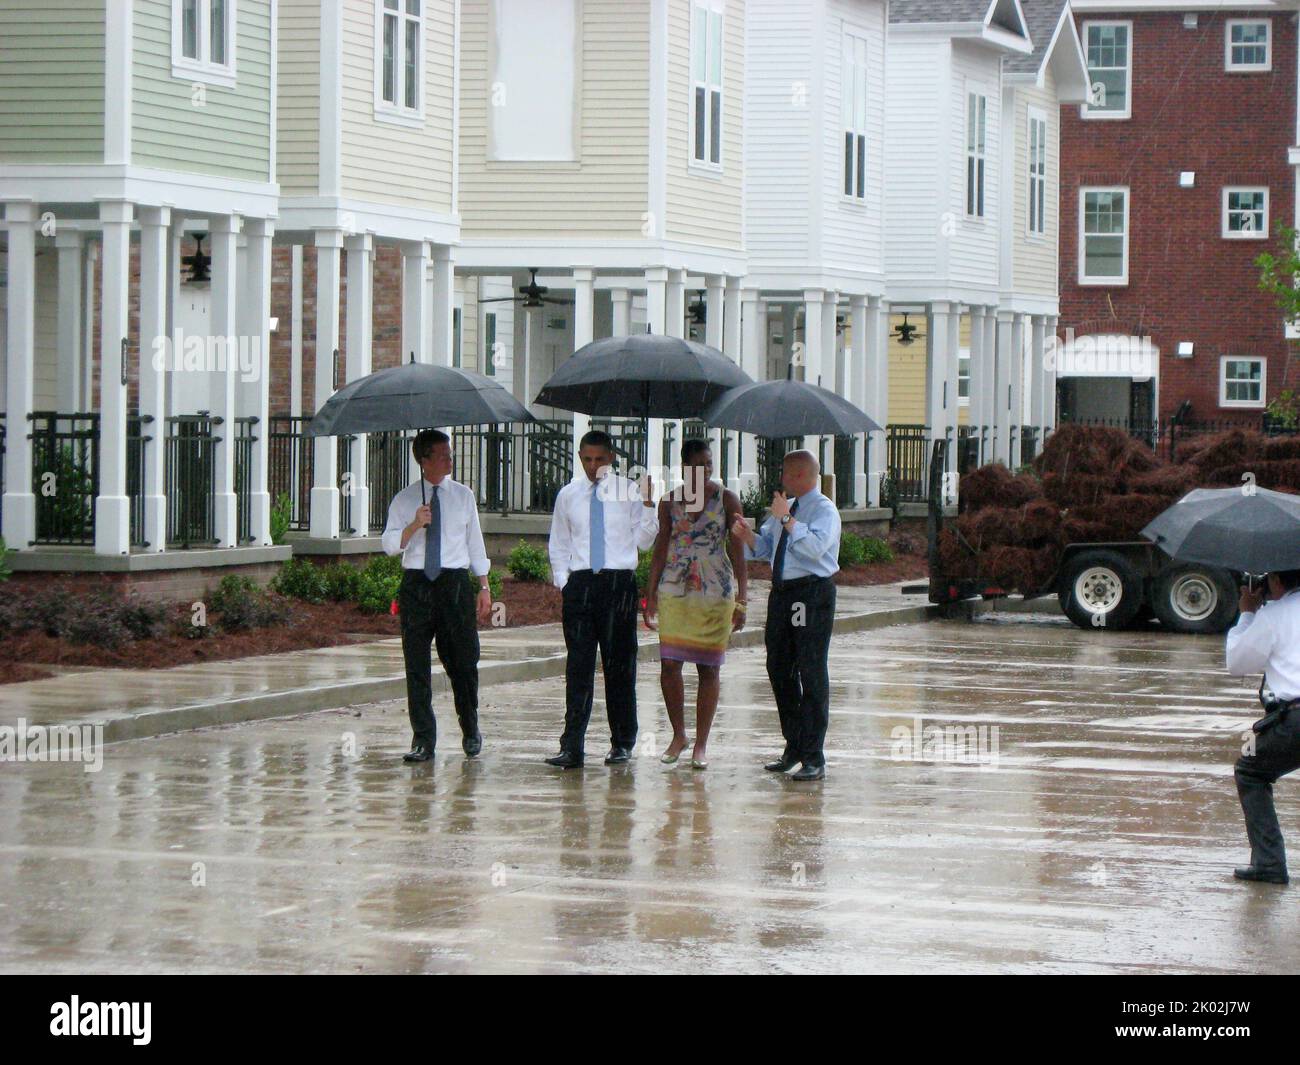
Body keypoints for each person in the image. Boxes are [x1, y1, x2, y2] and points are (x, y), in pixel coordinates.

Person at [545, 430, 658, 769]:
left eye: (600, 459)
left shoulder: (629, 492)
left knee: (619, 665)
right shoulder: (568, 495)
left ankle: (622, 741)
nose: (593, 466)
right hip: (581, 584)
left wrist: (650, 505)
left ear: (611, 458)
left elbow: (644, 542)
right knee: (578, 666)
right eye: (587, 459)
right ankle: (572, 746)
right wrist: (564, 581)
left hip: (617, 583)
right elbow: (559, 542)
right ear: (580, 458)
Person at [381, 429, 493, 763]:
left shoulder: (463, 496)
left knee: (463, 661)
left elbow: (475, 543)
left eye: (450, 453)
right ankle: (423, 739)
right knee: (416, 663)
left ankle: (470, 727)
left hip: (454, 583)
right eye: (442, 455)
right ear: (423, 459)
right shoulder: (404, 499)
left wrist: (484, 586)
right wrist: (415, 525)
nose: (450, 459)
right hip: (417, 584)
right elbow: (389, 546)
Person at [730, 450, 841, 781]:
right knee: (779, 666)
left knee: (810, 667)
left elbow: (813, 550)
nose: (783, 479)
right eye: (783, 473)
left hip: (810, 594)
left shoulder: (823, 510)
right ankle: (793, 744)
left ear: (806, 476)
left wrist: (787, 521)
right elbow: (768, 548)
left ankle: (813, 754)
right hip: (782, 595)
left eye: (790, 474)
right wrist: (748, 536)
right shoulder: (786, 507)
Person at [644, 439, 747, 769]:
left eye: (709, 463)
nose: (706, 469)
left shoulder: (727, 499)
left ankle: (701, 744)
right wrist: (649, 597)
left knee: (709, 667)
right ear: (684, 467)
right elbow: (660, 549)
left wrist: (742, 599)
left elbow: (739, 551)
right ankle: (679, 734)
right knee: (670, 665)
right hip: (674, 590)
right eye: (699, 464)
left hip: (715, 592)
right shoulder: (669, 502)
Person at [1226, 569, 1300, 884]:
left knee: (1250, 771)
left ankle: (1269, 864)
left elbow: (1238, 663)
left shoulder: (1273, 615)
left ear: (1276, 582)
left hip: (1294, 718)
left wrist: (1246, 615)